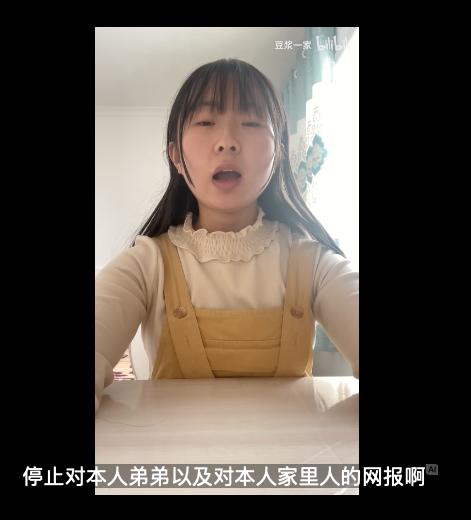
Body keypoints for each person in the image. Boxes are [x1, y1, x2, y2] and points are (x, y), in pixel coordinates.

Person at [95, 58, 359, 412]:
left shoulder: (315, 263)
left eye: (251, 122)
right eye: (206, 122)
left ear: (278, 154)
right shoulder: (146, 264)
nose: (228, 142)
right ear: (175, 155)